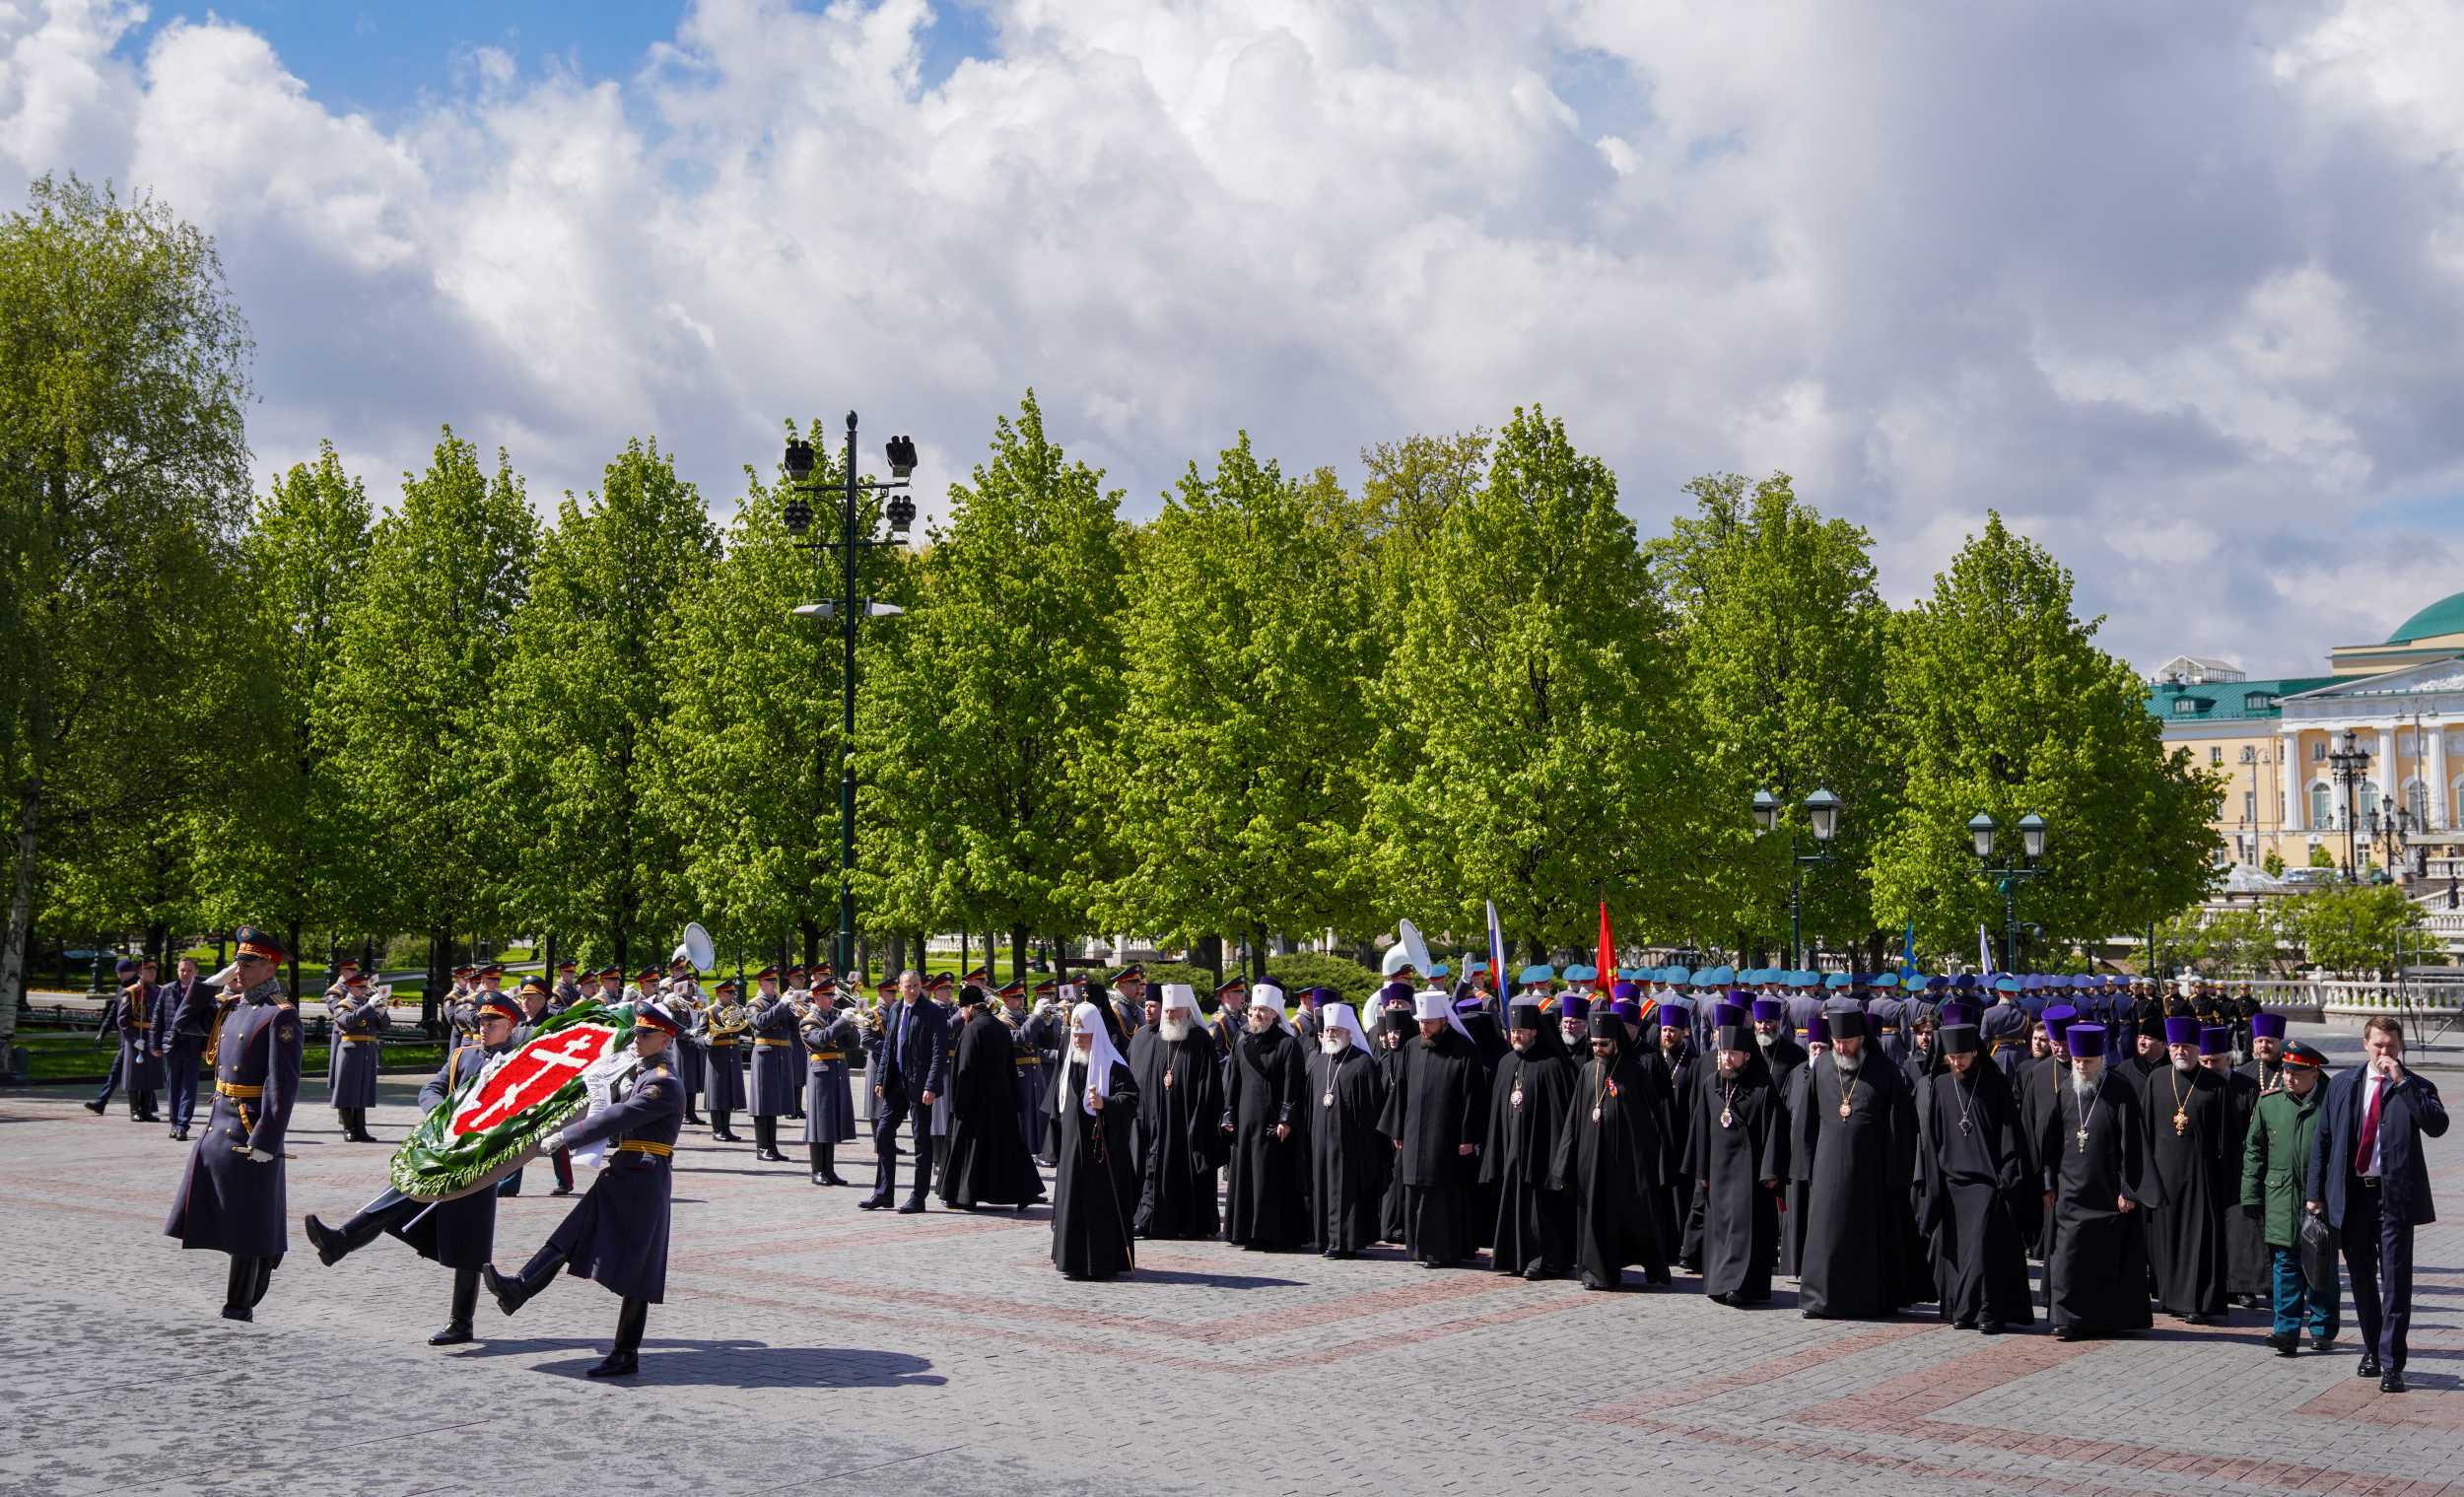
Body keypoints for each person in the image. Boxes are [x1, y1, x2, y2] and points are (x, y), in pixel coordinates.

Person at [304, 990, 524, 1344]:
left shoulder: (521, 1064)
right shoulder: (462, 1057)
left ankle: (461, 1322)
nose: (483, 1027)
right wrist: (442, 1112)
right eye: (481, 1021)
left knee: (471, 1239)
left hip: (481, 1158)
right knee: (403, 1191)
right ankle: (340, 1242)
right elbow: (432, 1088)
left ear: (510, 1025)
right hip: (444, 1149)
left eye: (492, 1022)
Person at [483, 999, 688, 1378]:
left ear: (664, 1039)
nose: (636, 1038)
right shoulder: (642, 1073)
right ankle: (519, 1288)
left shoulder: (662, 1081)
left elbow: (619, 1115)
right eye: (637, 1031)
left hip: (643, 1178)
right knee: (571, 1232)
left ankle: (626, 1352)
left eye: (645, 1033)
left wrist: (567, 1135)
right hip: (626, 1171)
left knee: (638, 1270)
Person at [165, 926, 301, 1322]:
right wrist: (210, 983)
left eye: (246, 962)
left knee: (248, 1220)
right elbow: (184, 1023)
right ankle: (268, 1249)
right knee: (227, 1214)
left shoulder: (280, 1015)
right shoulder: (233, 1005)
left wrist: (267, 1137)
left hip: (248, 1127)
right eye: (236, 961)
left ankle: (237, 1304)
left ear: (269, 966)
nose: (237, 969)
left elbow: (283, 1084)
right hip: (218, 1123)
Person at [2306, 1015, 2448, 1393]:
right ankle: (2371, 1347)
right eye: (2378, 1045)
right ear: (2364, 1045)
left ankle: (2392, 1363)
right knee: (2362, 1279)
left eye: (2390, 1045)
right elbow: (2322, 1141)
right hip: (2353, 1196)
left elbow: (2437, 1125)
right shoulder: (2342, 1086)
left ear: (2400, 1047)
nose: (2384, 1052)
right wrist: (2314, 1194)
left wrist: (2401, 1082)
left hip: (2394, 1197)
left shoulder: (2416, 1085)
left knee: (2396, 1281)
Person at [1792, 1005, 1918, 1319]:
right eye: (1837, 1041)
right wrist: (1805, 1168)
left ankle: (1866, 1301)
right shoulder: (1821, 1067)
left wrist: (1895, 1173)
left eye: (1847, 1041)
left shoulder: (1885, 1072)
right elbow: (1806, 1121)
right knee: (1825, 1236)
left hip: (1870, 1171)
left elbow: (1900, 1129)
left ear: (1861, 1039)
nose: (1842, 1047)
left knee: (1865, 1238)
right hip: (1825, 1167)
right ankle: (1818, 1300)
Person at [1914, 1023, 2034, 1332]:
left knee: (1983, 1250)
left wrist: (2006, 1177)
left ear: (1975, 1053)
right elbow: (1934, 1137)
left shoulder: (1995, 1082)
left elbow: (2010, 1132)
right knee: (1959, 1252)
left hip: (1987, 1182)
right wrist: (1933, 1180)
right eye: (1952, 1058)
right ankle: (1963, 1311)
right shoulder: (1940, 1085)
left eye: (1963, 1056)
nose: (1958, 1063)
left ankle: (1989, 1311)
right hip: (1953, 1182)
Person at [2036, 1023, 2151, 1340]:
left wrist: (2129, 1190)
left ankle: (2102, 1320)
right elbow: (2050, 1143)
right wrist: (2048, 1183)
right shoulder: (2064, 1090)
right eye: (2077, 1062)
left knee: (2104, 1259)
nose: (2082, 1067)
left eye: (2087, 1062)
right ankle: (2066, 1319)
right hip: (2070, 1190)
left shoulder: (2119, 1089)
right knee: (2067, 1255)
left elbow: (2133, 1143)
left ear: (2100, 1059)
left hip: (2107, 1191)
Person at [1553, 1010, 1671, 1291]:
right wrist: (1564, 1162)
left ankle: (1628, 1267)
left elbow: (1650, 1119)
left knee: (1626, 1217)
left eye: (1603, 1044)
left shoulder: (1635, 1072)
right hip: (1590, 1160)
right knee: (1593, 1215)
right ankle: (1595, 1272)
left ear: (1616, 1042)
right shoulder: (1587, 1071)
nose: (1597, 1049)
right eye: (1594, 1044)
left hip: (1625, 1163)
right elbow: (1573, 1119)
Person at [1379, 988, 1490, 1267]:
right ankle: (1418, 1249)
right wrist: (1398, 1130)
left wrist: (1468, 1136)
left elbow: (1471, 1097)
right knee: (1415, 1190)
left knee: (1441, 1195)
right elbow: (1400, 1091)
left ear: (1443, 1020)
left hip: (1447, 1136)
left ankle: (1442, 1251)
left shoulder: (1464, 1050)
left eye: (1429, 1022)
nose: (1424, 1027)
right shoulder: (1412, 1047)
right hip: (1414, 1133)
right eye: (1421, 1022)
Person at [2240, 1041, 2335, 1357]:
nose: (2288, 1077)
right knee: (2285, 1266)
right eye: (2285, 1070)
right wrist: (2251, 1194)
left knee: (2320, 1264)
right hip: (2280, 1195)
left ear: (2314, 1072)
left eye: (2296, 1071)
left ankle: (2322, 1329)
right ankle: (2286, 1332)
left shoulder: (2332, 1102)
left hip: (2320, 1198)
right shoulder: (2270, 1104)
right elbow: (2254, 1151)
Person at [1687, 1005, 1785, 1306]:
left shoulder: (1762, 1089)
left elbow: (1775, 1132)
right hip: (1719, 1171)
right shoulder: (1711, 1087)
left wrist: (1771, 1172)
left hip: (1749, 1174)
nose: (1725, 1059)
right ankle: (1719, 1282)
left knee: (1746, 1234)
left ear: (1746, 1056)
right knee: (1720, 1231)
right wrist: (1701, 1170)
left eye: (1732, 1054)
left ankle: (1744, 1286)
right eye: (1722, 1053)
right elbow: (1700, 1130)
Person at [2141, 1016, 2229, 1325]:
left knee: (2197, 1241)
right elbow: (2146, 1131)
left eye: (2187, 1047)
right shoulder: (2156, 1079)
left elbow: (2227, 1138)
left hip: (2201, 1177)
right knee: (2167, 1239)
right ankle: (2170, 1296)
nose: (2181, 1052)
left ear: (2197, 1049)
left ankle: (2195, 1301)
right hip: (2164, 1176)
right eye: (2176, 1046)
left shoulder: (2215, 1084)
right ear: (2168, 1048)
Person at [1483, 996, 1578, 1280]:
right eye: (1513, 1031)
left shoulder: (1552, 1065)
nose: (1516, 1036)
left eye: (1521, 1031)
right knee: (1512, 1205)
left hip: (1541, 1151)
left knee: (1540, 1211)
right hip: (1512, 1148)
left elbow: (1561, 1115)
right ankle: (1513, 1257)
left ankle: (1544, 1260)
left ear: (1534, 1031)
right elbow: (1497, 1110)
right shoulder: (1505, 1062)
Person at [1050, 1000, 1139, 1280]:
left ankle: (1101, 1262)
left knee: (1098, 1208)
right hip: (1071, 1153)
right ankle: (1072, 1261)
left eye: (1083, 1036)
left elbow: (1131, 1100)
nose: (1077, 1040)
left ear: (1095, 1035)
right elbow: (1057, 1105)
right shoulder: (1070, 1063)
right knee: (1072, 1203)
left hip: (1102, 1153)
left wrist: (1105, 1102)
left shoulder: (1113, 1065)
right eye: (1074, 1035)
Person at [1130, 983, 1226, 1240]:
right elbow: (1152, 1083)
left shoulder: (1201, 1040)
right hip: (1162, 1123)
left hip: (1190, 1123)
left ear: (1187, 1011)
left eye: (1174, 1011)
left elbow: (1210, 1088)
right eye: (1168, 1011)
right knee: (1156, 1170)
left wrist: (1199, 1121)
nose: (1169, 1015)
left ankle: (1193, 1223)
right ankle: (1156, 1220)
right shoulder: (1161, 1041)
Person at [938, 984, 1046, 1211]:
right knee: (1007, 1148)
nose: (963, 1015)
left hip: (975, 1102)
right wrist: (1016, 1099)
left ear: (968, 1007)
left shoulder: (971, 1030)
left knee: (970, 1150)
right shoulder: (1000, 1027)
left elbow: (965, 1069)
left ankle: (964, 1195)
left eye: (963, 1010)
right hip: (1002, 1099)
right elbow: (1010, 1065)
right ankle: (1023, 1190)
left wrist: (958, 1103)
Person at [1222, 983, 1312, 1252]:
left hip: (1271, 1123)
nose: (1256, 1015)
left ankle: (1271, 1233)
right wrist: (1228, 1114)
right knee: (1247, 1176)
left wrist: (1286, 1119)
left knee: (1268, 1177)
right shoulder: (1241, 1040)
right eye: (1253, 1010)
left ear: (1274, 1014)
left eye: (1262, 1011)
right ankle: (1246, 1232)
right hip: (1245, 1120)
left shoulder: (1288, 1045)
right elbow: (1233, 1080)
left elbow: (1292, 1085)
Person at [1306, 999, 1385, 1259]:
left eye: (1336, 1030)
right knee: (1323, 1186)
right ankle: (1325, 1238)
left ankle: (1343, 1241)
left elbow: (1373, 1107)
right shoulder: (1318, 1063)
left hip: (1351, 1142)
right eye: (1328, 1030)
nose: (1331, 1034)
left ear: (1349, 1031)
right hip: (1320, 1139)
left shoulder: (1362, 1063)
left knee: (1345, 1189)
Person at [863, 970, 947, 1213]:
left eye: (916, 986)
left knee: (921, 1139)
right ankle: (883, 1193)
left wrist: (931, 1085)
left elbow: (938, 1053)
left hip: (920, 1085)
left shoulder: (933, 1012)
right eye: (907, 985)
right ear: (900, 987)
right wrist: (881, 1078)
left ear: (921, 987)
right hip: (897, 1082)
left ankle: (918, 1197)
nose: (912, 990)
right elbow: (890, 1046)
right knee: (883, 1132)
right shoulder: (896, 1010)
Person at [2202, 1026, 2268, 1309]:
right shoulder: (2196, 1085)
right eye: (2204, 1061)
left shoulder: (2247, 1087)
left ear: (2228, 1059)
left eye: (2214, 1061)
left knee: (2241, 1231)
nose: (2209, 1066)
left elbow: (2256, 1130)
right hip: (2204, 1168)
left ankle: (2244, 1287)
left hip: (2239, 1166)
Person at [799, 981, 860, 1187]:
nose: (832, 1000)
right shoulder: (808, 1020)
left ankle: (829, 1169)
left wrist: (851, 1024)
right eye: (828, 996)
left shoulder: (834, 1018)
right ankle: (817, 1170)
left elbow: (852, 1044)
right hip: (820, 1073)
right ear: (817, 997)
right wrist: (842, 1022)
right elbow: (820, 1039)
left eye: (833, 996)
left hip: (837, 1072)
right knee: (819, 1121)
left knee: (831, 1121)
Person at [161, 956, 216, 1141]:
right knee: (173, 1087)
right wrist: (155, 1044)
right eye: (182, 970)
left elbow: (210, 1022)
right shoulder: (167, 990)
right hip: (172, 1044)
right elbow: (157, 1018)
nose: (185, 973)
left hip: (193, 1045)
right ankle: (174, 1123)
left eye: (189, 970)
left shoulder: (203, 994)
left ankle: (183, 1125)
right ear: (177, 971)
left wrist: (205, 1046)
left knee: (189, 1088)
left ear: (196, 972)